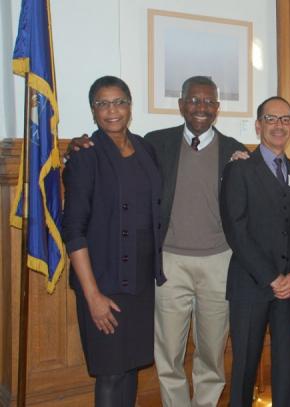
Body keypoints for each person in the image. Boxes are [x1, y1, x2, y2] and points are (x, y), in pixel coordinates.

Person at [68, 75, 247, 407]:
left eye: (209, 101)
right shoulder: (155, 143)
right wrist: (75, 144)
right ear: (181, 105)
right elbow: (80, 216)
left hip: (217, 262)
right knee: (167, 355)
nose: (201, 107)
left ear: (218, 109)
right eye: (193, 100)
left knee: (211, 350)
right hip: (167, 265)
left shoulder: (235, 151)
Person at [62, 76, 165, 406]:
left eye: (119, 101)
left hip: (139, 284)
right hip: (102, 282)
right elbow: (74, 231)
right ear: (93, 111)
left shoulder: (146, 149)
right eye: (102, 103)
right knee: (109, 372)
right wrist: (92, 296)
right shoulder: (84, 156)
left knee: (131, 367)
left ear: (130, 107)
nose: (112, 110)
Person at [219, 96, 290, 407]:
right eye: (272, 119)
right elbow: (236, 230)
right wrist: (272, 277)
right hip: (251, 285)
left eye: (285, 119)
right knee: (245, 366)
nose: (279, 125)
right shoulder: (240, 170)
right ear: (259, 126)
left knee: (288, 366)